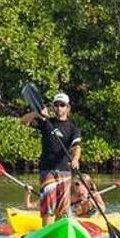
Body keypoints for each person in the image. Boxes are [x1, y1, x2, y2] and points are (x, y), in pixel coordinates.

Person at [19, 91, 82, 222]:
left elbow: (76, 147)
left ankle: (61, 231)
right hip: (47, 170)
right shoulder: (46, 122)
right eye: (56, 105)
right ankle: (47, 231)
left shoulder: (73, 129)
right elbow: (23, 122)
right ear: (53, 107)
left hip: (65, 171)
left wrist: (75, 159)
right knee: (48, 208)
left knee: (63, 210)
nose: (59, 107)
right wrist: (37, 113)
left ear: (68, 107)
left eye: (62, 105)